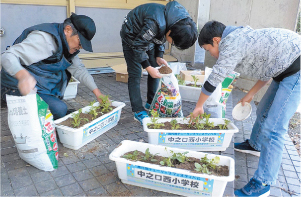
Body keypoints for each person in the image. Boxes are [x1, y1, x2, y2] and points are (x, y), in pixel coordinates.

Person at [191, 20, 300, 197]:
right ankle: (255, 145)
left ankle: (263, 183)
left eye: (207, 49)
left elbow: (215, 77)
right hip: (284, 67)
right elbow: (267, 67)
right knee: (263, 109)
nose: (210, 54)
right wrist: (250, 94)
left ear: (217, 40)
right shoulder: (237, 36)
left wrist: (198, 106)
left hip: (297, 68)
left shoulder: (231, 44)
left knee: (274, 128)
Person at [1, 13, 108, 120]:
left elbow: (79, 69)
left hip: (37, 85)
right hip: (15, 85)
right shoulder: (45, 40)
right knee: (59, 109)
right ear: (68, 30)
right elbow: (7, 56)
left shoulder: (68, 45)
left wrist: (98, 93)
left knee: (59, 110)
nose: (80, 47)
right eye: (80, 42)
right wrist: (22, 76)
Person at [120, 1, 198, 125]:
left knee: (156, 68)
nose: (172, 44)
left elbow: (160, 38)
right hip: (132, 36)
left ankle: (151, 102)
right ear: (171, 32)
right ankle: (138, 110)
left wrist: (158, 56)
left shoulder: (176, 22)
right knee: (135, 73)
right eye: (173, 42)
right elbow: (138, 45)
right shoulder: (156, 23)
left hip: (147, 37)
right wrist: (147, 66)